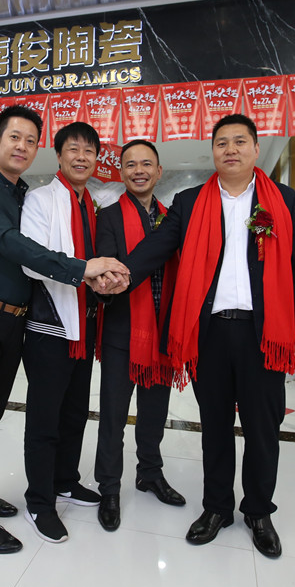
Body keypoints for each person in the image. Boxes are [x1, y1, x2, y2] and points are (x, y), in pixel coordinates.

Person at [118, 114, 295, 558]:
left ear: (255, 148)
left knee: (263, 428)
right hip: (209, 333)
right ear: (213, 151)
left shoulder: (282, 200)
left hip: (264, 333)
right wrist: (122, 272)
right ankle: (217, 508)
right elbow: (157, 247)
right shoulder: (189, 202)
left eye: (239, 141)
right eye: (222, 142)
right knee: (216, 427)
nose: (230, 149)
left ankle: (259, 512)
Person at [0, 105, 128, 555]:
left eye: (30, 140)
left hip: (15, 319)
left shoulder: (21, 193)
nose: (22, 147)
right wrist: (83, 269)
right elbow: (13, 245)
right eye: (15, 137)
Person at [18, 122, 104, 544]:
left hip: (84, 326)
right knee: (45, 417)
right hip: (50, 326)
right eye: (73, 149)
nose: (81, 157)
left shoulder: (93, 205)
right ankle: (39, 500)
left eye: (89, 150)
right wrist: (86, 270)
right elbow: (32, 261)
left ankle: (66, 480)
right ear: (59, 155)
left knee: (74, 411)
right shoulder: (41, 199)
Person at [92, 139, 185, 533]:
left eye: (147, 164)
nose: (139, 171)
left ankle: (149, 473)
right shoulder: (109, 217)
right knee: (113, 415)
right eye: (130, 164)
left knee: (155, 412)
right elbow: (110, 271)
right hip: (123, 330)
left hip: (164, 331)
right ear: (121, 172)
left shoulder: (173, 218)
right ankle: (110, 488)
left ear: (159, 171)